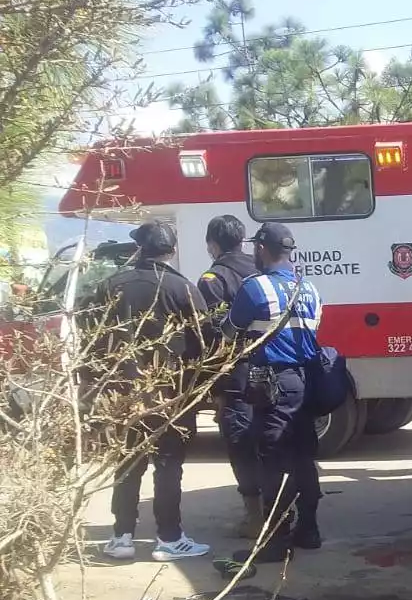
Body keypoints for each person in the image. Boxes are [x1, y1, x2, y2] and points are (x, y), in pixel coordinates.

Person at [98, 221, 211, 561]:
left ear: (139, 249)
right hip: (169, 394)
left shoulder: (108, 286)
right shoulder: (182, 288)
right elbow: (204, 343)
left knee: (127, 462)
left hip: (121, 395)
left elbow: (92, 341)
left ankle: (121, 537)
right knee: (167, 465)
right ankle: (169, 538)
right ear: (172, 250)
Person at [224, 222, 323, 561]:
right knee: (303, 455)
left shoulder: (255, 287)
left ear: (262, 250)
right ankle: (308, 530)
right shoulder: (309, 287)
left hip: (273, 383)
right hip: (306, 381)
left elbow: (230, 330)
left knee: (273, 460)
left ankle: (276, 543)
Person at [197, 214, 262, 539]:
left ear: (212, 244)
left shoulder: (213, 279)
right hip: (274, 370)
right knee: (275, 441)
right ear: (242, 239)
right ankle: (284, 511)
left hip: (236, 375)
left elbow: (214, 335)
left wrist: (214, 386)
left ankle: (255, 517)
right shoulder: (263, 268)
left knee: (241, 444)